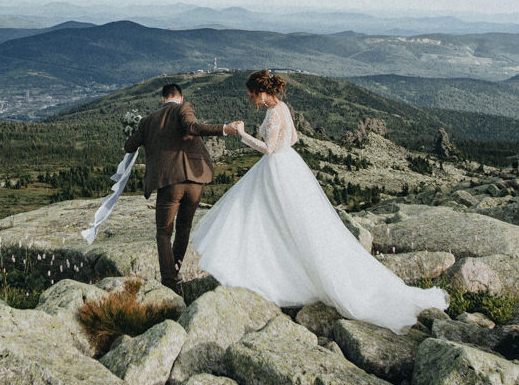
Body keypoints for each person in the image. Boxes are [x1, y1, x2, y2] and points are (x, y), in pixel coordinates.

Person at [190, 70, 446, 329]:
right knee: (285, 222)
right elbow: (294, 138)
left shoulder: (274, 112)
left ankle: (273, 274)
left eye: (251, 94)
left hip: (277, 169)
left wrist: (242, 134)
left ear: (262, 92)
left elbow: (268, 149)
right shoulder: (283, 108)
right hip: (290, 165)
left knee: (270, 219)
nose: (250, 99)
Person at [124, 81, 228, 287]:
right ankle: (177, 269)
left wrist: (138, 133)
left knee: (163, 232)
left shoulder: (148, 121)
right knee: (184, 228)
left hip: (170, 182)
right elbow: (191, 127)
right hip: (195, 181)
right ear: (180, 97)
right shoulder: (184, 108)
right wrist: (223, 129)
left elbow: (129, 146)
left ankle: (170, 280)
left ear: (163, 99)